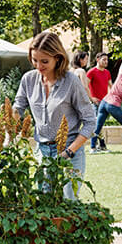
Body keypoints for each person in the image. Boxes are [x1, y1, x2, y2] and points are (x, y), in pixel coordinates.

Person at [14, 31, 95, 199]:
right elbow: (17, 109)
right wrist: (8, 130)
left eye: (44, 61)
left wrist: (69, 152)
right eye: (34, 60)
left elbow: (89, 121)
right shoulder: (28, 80)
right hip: (42, 152)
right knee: (44, 204)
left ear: (58, 58)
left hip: (69, 151)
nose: (38, 66)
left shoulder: (71, 81)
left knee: (68, 204)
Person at [86, 54, 111, 149]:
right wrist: (91, 97)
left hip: (105, 103)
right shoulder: (91, 72)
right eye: (104, 59)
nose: (106, 62)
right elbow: (85, 85)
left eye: (107, 60)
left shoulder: (107, 72)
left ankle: (101, 144)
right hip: (95, 103)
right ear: (97, 59)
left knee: (100, 124)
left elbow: (110, 86)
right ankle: (95, 145)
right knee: (96, 123)